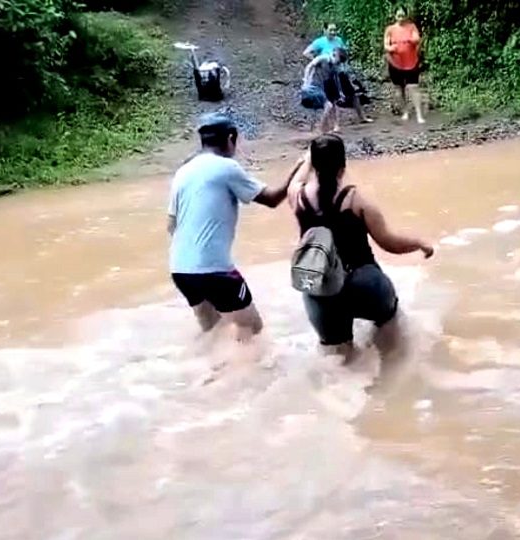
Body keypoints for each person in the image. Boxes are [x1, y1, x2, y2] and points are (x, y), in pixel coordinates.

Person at [287, 134, 434, 360]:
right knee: (393, 343)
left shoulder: (297, 197)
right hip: (364, 282)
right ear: (343, 166)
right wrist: (420, 243)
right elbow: (390, 243)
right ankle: (391, 385)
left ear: (314, 164)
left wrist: (308, 158)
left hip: (320, 288)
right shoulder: (356, 199)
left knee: (340, 361)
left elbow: (296, 180)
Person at [167, 113, 303, 342]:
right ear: (231, 138)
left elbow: (171, 225)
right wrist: (298, 168)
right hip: (214, 270)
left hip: (180, 269)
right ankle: (251, 375)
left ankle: (210, 373)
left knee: (213, 334)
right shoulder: (227, 167)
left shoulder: (183, 172)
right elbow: (272, 199)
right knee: (253, 332)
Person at [304, 25, 373, 125]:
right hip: (328, 74)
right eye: (330, 30)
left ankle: (362, 117)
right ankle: (329, 124)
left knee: (353, 94)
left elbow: (344, 54)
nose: (333, 32)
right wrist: (318, 61)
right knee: (331, 99)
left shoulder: (339, 40)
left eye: (334, 30)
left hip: (340, 71)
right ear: (325, 30)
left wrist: (346, 67)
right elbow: (306, 53)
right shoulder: (319, 42)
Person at [384, 6, 425, 124]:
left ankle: (419, 114)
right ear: (395, 16)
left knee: (413, 87)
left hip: (411, 62)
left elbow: (417, 39)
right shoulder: (390, 29)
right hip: (395, 63)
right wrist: (391, 48)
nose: (401, 18)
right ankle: (405, 111)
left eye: (403, 15)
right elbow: (386, 45)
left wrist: (412, 40)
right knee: (399, 89)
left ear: (406, 16)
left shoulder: (411, 27)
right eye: (399, 16)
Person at [301, 49, 343, 133]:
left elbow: (336, 78)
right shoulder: (323, 58)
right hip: (312, 86)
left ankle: (323, 128)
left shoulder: (334, 66)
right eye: (338, 61)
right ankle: (322, 129)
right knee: (328, 105)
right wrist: (305, 80)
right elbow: (310, 66)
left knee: (328, 105)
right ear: (334, 55)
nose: (338, 63)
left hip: (320, 87)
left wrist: (340, 91)